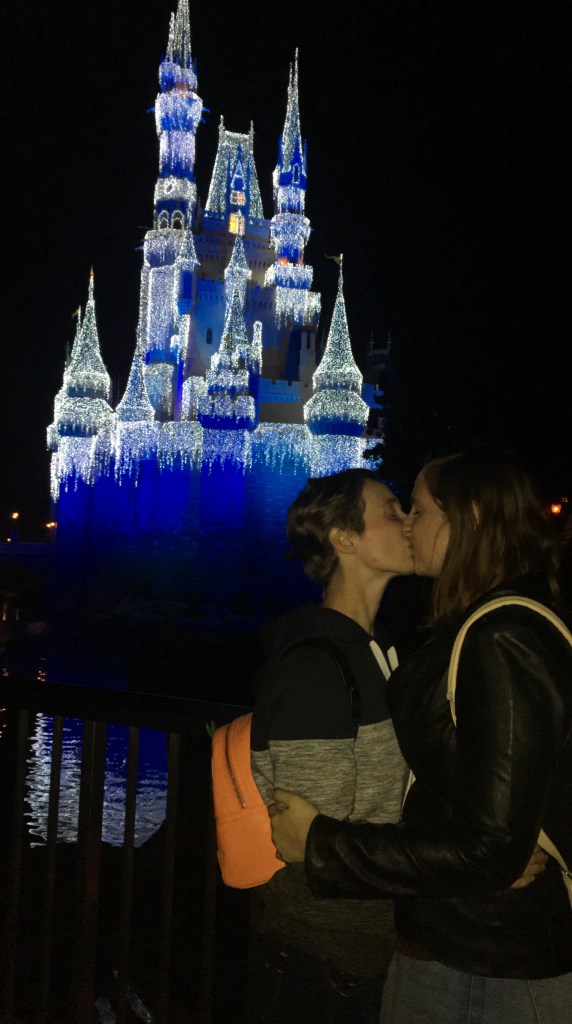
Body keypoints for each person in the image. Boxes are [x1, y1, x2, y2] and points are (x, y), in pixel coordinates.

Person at [269, 445, 572, 1024]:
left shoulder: (498, 635)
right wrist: (489, 856)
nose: (409, 522)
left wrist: (323, 846)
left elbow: (486, 835)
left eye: (417, 508)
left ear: (470, 518)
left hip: (485, 954)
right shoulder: (461, 630)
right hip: (458, 941)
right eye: (396, 510)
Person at [249, 468, 413, 1022]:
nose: (407, 521)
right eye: (391, 511)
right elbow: (311, 846)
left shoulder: (379, 650)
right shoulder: (316, 669)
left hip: (369, 947)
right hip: (323, 959)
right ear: (344, 539)